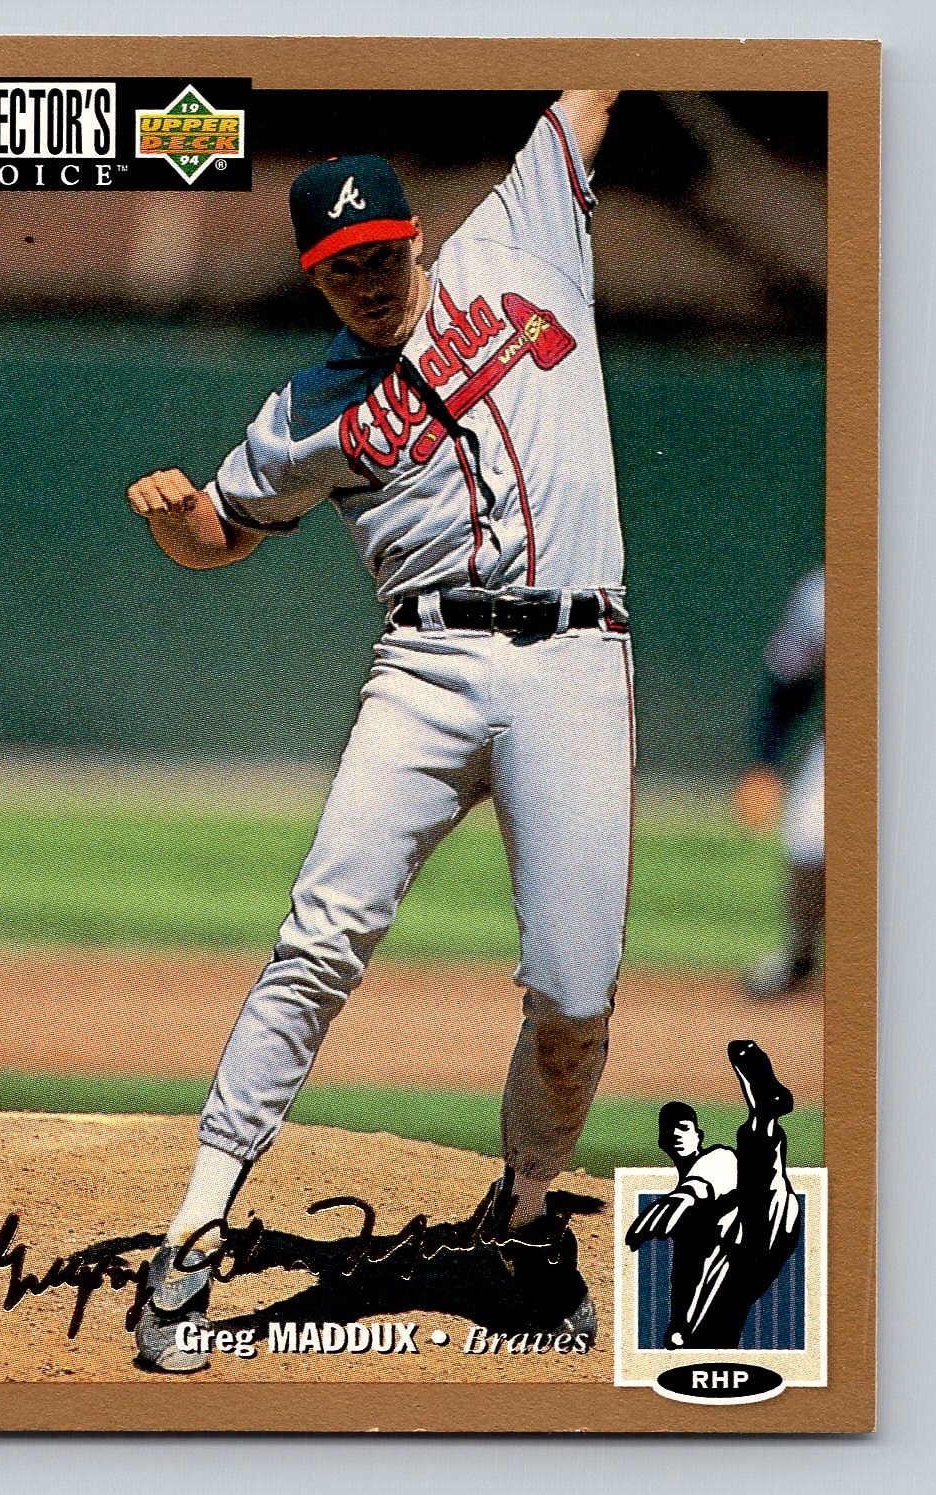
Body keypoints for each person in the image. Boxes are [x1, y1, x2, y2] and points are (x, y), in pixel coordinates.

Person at [125, 90, 631, 1372]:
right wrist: (178, 526)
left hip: (577, 660)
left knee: (575, 994)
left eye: (380, 252)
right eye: (337, 266)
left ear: (417, 237)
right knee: (321, 936)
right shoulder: (303, 414)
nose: (365, 278)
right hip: (427, 665)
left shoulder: (521, 237)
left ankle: (522, 1218)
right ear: (315, 278)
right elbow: (223, 533)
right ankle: (193, 1231)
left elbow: (595, 81)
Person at [625, 1040, 801, 1350]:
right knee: (706, 1333)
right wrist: (680, 1323)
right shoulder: (685, 1218)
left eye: (684, 1127)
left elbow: (717, 1173)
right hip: (738, 1257)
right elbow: (687, 1274)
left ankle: (764, 1118)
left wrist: (688, 1195)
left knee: (760, 1187)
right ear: (662, 1142)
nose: (676, 1134)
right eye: (669, 1130)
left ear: (699, 1136)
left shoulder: (716, 1158)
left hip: (762, 1221)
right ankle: (763, 1117)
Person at [733, 567, 824, 997]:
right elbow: (790, 685)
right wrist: (764, 763)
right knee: (808, 840)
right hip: (855, 738)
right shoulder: (825, 593)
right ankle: (799, 957)